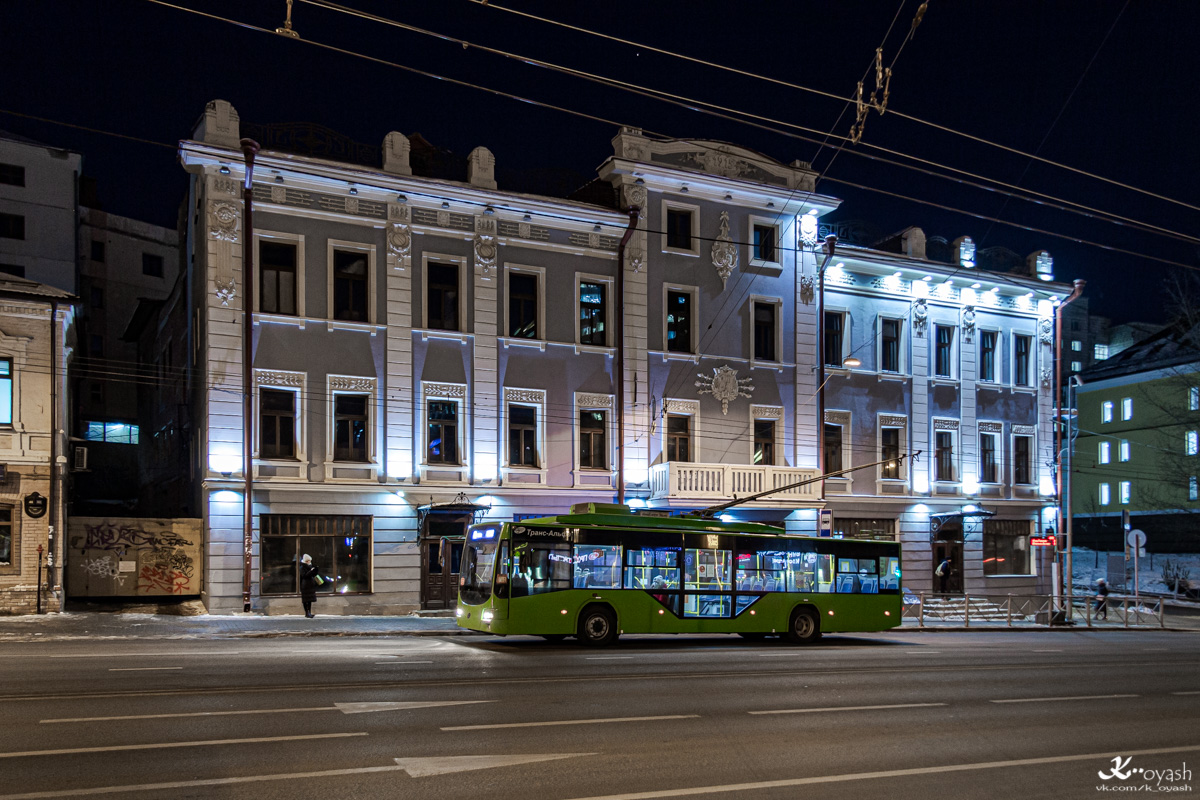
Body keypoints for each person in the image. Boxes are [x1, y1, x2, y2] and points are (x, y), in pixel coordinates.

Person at [299, 554, 320, 618]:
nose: (309, 562)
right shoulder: (302, 567)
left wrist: (315, 570)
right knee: (306, 600)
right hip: (305, 585)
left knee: (310, 600)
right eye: (307, 561)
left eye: (309, 560)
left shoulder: (310, 566)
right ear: (305, 561)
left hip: (310, 584)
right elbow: (304, 575)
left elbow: (313, 575)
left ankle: (309, 612)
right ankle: (307, 613)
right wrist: (311, 571)